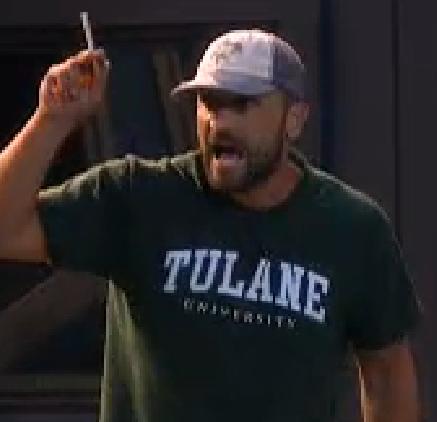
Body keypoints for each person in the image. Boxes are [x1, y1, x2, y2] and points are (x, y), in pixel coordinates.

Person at [0, 29, 420, 422]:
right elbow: (7, 230)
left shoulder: (351, 228)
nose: (221, 124)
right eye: (210, 103)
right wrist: (51, 121)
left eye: (242, 105)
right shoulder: (139, 196)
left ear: (294, 118)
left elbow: (386, 373)